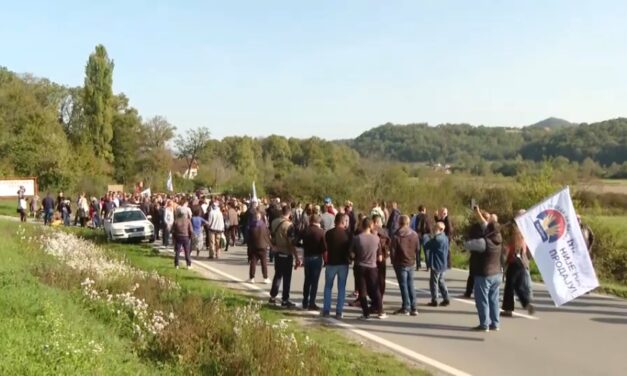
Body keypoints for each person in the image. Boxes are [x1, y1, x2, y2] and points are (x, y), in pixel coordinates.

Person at [465, 208, 504, 332]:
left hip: (484, 274)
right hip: (497, 273)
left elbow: (467, 244)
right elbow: (485, 225)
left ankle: (484, 324)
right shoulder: (498, 238)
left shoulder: (483, 242)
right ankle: (495, 323)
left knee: (482, 300)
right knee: (494, 300)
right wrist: (479, 215)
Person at [350, 217, 386, 320]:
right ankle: (381, 311)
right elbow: (380, 257)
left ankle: (366, 314)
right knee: (375, 290)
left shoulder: (357, 238)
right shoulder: (376, 238)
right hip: (372, 266)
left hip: (360, 266)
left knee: (362, 291)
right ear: (371, 226)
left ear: (362, 226)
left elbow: (351, 254)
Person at [269, 206, 301, 308]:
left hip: (277, 252)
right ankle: (285, 299)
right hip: (286, 253)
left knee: (277, 275)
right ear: (289, 213)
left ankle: (272, 297)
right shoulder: (289, 225)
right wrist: (297, 256)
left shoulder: (274, 222)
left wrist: (272, 246)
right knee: (287, 278)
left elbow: (269, 234)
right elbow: (291, 243)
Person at [502, 222, 535, 316]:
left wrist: (504, 264)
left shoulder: (515, 237)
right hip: (523, 263)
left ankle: (508, 309)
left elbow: (508, 251)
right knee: (518, 286)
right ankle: (526, 302)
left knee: (509, 286)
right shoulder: (524, 237)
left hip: (514, 262)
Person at [322, 213, 351, 319]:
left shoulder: (329, 233)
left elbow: (326, 247)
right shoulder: (348, 234)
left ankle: (326, 310)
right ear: (343, 222)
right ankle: (339, 311)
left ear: (335, 221)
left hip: (331, 263)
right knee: (341, 288)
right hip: (343, 263)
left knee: (328, 287)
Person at [391, 215, 419, 316]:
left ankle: (405, 306)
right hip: (410, 262)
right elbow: (417, 248)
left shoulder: (396, 235)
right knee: (410, 284)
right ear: (408, 223)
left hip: (400, 262)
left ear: (399, 223)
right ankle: (414, 307)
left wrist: (393, 262)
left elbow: (393, 251)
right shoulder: (414, 234)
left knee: (403, 285)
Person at [301, 214, 327, 310]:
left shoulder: (305, 230)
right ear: (318, 222)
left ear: (310, 220)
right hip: (317, 257)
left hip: (307, 256)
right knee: (314, 281)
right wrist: (325, 259)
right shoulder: (321, 232)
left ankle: (305, 301)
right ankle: (312, 302)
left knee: (307, 280)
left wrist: (302, 245)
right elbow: (325, 248)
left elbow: (295, 241)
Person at [426, 222, 450, 307]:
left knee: (434, 282)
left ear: (441, 229)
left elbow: (427, 245)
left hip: (436, 263)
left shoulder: (437, 239)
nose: (433, 229)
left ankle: (435, 300)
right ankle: (446, 298)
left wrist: (430, 238)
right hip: (443, 262)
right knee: (441, 281)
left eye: (435, 228)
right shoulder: (446, 238)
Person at [247, 212, 272, 283]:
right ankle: (265, 277)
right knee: (264, 262)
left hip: (254, 246)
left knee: (253, 262)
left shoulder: (251, 226)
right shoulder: (264, 226)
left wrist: (249, 247)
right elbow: (268, 236)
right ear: (260, 217)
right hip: (263, 246)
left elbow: (249, 238)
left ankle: (251, 278)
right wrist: (269, 244)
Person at [372, 215, 390, 305]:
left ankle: (375, 299)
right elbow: (388, 243)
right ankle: (380, 297)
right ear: (377, 222)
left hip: (373, 257)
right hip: (382, 257)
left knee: (373, 279)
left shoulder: (372, 231)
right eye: (380, 222)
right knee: (381, 278)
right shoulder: (384, 232)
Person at [413, 205, 432, 271]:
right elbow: (429, 227)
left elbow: (414, 226)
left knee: (418, 251)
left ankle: (418, 266)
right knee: (426, 251)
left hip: (418, 234)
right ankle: (428, 266)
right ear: (424, 210)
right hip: (425, 235)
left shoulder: (416, 217)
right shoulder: (427, 217)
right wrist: (430, 233)